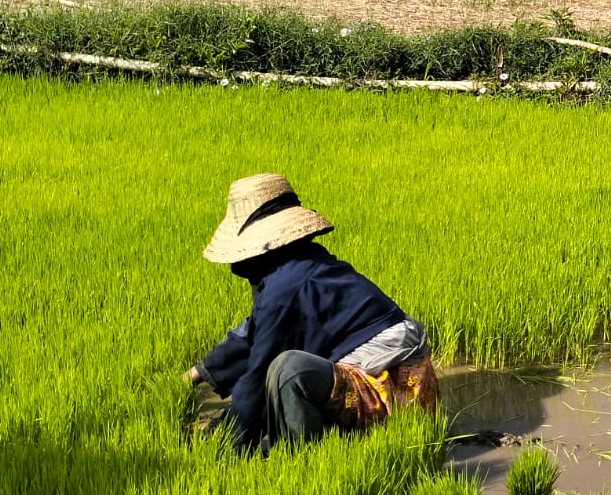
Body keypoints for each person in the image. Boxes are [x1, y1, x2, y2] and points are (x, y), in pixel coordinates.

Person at [187, 173, 438, 451]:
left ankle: (300, 458)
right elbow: (256, 334)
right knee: (280, 374)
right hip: (389, 379)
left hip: (395, 391)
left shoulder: (286, 288)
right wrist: (193, 376)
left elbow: (258, 378)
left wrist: (223, 445)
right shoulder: (299, 264)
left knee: (288, 371)